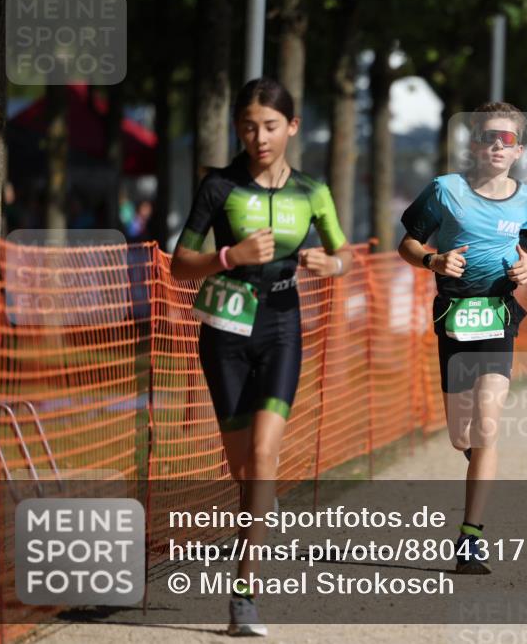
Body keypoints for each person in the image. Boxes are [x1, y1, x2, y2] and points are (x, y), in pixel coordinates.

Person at [170, 77, 352, 637]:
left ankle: (244, 594)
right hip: (225, 331)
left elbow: (344, 252)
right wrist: (230, 256)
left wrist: (332, 265)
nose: (259, 137)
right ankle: (254, 526)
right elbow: (180, 264)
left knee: (265, 454)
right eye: (248, 127)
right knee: (243, 471)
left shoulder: (313, 191)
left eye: (270, 126)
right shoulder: (219, 187)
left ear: (292, 127)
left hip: (280, 326)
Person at [397, 102, 527, 574]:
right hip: (454, 317)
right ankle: (477, 457)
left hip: (498, 316)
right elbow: (406, 243)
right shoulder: (445, 190)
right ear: (474, 144)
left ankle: (470, 539)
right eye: (489, 137)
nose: (497, 146)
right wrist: (432, 260)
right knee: (461, 436)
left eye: (507, 140)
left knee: (488, 424)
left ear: (518, 150)